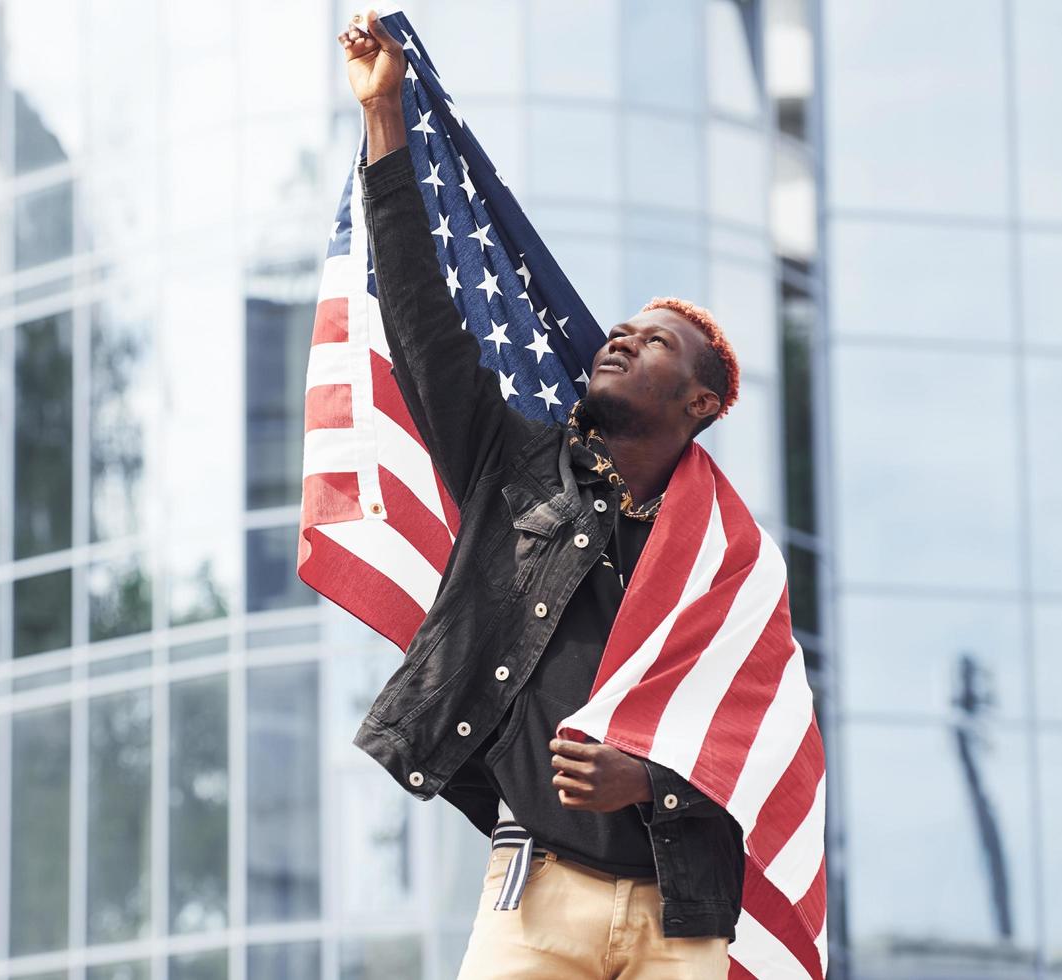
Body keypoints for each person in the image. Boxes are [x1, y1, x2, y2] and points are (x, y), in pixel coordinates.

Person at [338, 10, 745, 978]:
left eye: (649, 343)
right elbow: (423, 325)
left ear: (697, 401)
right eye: (619, 329)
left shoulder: (726, 562)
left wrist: (645, 782)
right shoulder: (512, 462)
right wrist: (385, 114)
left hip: (678, 915)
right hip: (533, 896)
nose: (618, 338)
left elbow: (758, 751)